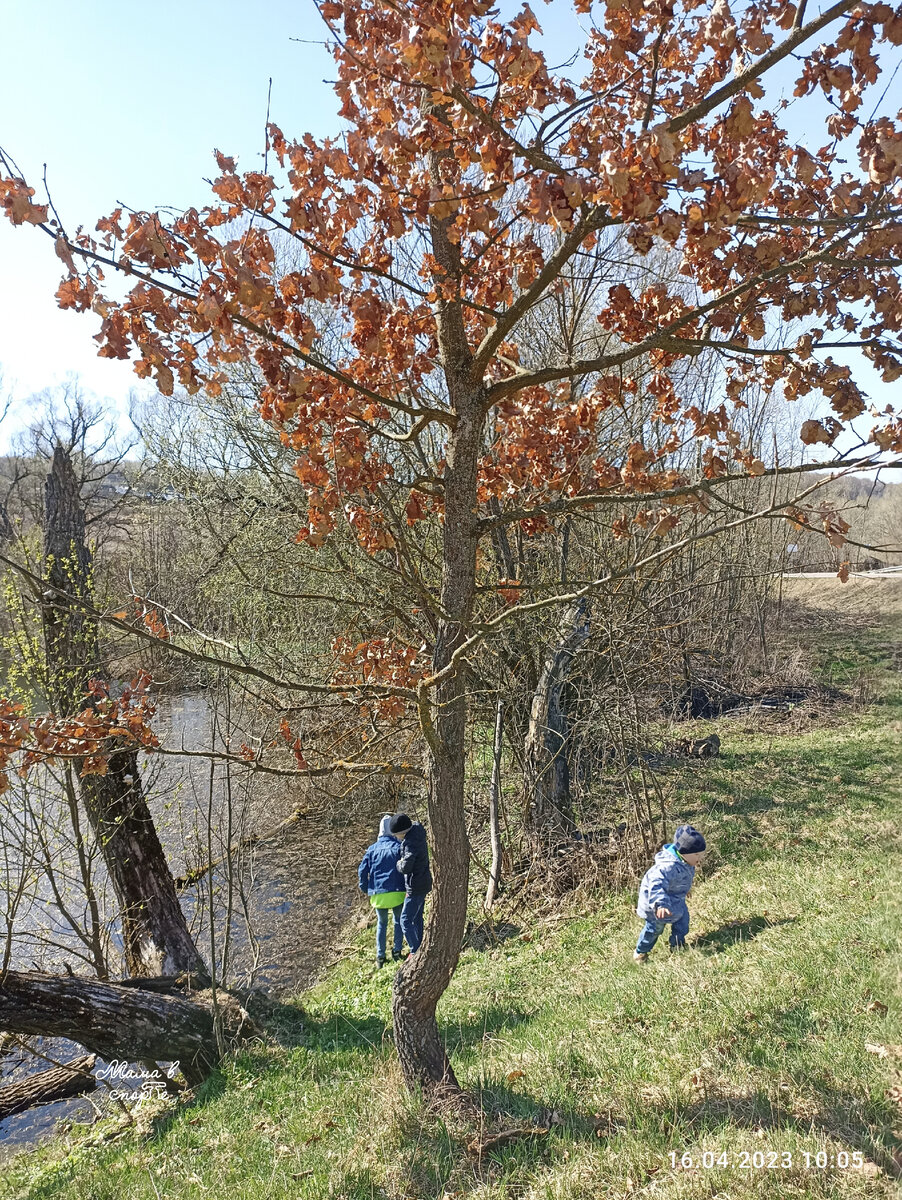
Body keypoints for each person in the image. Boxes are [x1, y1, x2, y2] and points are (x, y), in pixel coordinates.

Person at [634, 824, 707, 962]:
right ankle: (641, 952)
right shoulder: (667, 867)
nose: (700, 857)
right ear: (684, 852)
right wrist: (660, 904)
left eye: (702, 853)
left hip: (675, 899)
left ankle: (678, 945)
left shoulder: (686, 862)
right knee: (654, 930)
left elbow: (681, 878)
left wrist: (685, 890)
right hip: (655, 905)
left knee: (683, 922)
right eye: (697, 854)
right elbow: (656, 885)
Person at [358, 815, 407, 968]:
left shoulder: (371, 850)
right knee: (398, 921)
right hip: (397, 891)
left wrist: (366, 888)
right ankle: (397, 951)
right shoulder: (399, 847)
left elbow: (362, 871)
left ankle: (380, 957)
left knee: (382, 923)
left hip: (378, 894)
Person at [389, 812, 432, 953]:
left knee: (405, 920)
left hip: (415, 886)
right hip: (424, 882)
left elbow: (406, 867)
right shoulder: (418, 833)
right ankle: (420, 946)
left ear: (402, 832)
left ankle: (415, 951)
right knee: (417, 917)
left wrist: (398, 864)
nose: (396, 837)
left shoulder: (410, 844)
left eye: (396, 834)